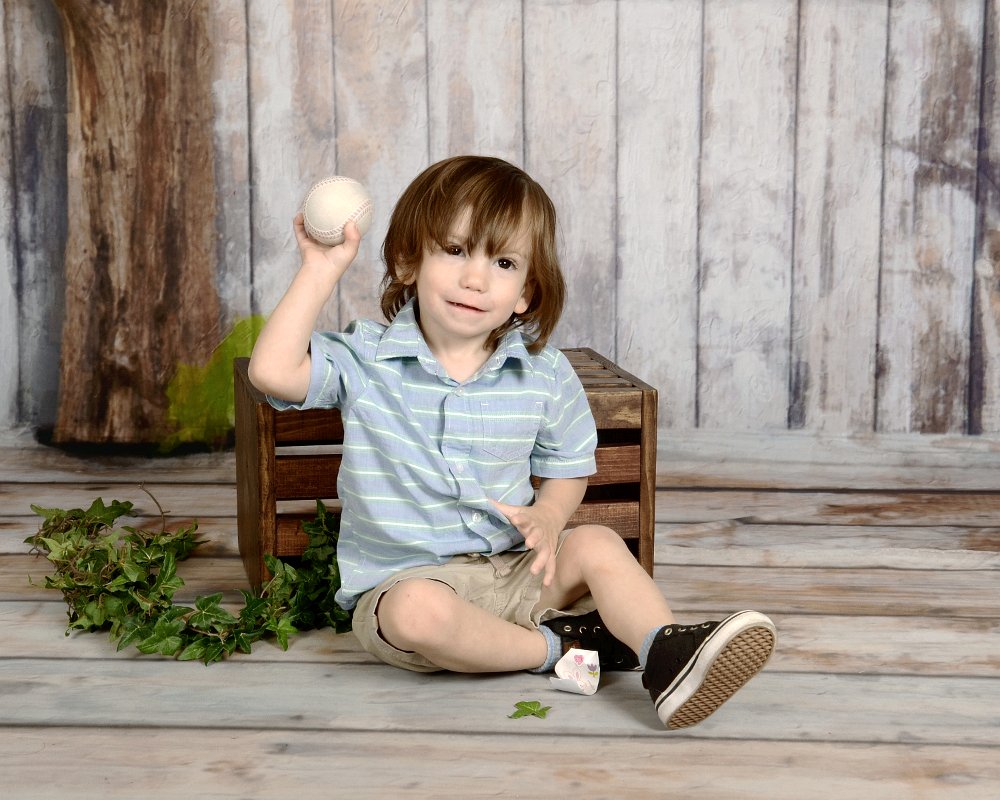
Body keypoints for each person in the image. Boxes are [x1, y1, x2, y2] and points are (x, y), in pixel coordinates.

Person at [248, 155, 775, 729]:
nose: (475, 279)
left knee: (597, 542)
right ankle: (556, 649)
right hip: (410, 585)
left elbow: (568, 466)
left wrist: (549, 516)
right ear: (407, 262)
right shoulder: (366, 359)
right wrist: (321, 268)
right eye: (455, 250)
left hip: (518, 570)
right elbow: (271, 372)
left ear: (526, 292)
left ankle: (665, 653)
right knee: (414, 613)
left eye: (503, 263)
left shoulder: (544, 374)